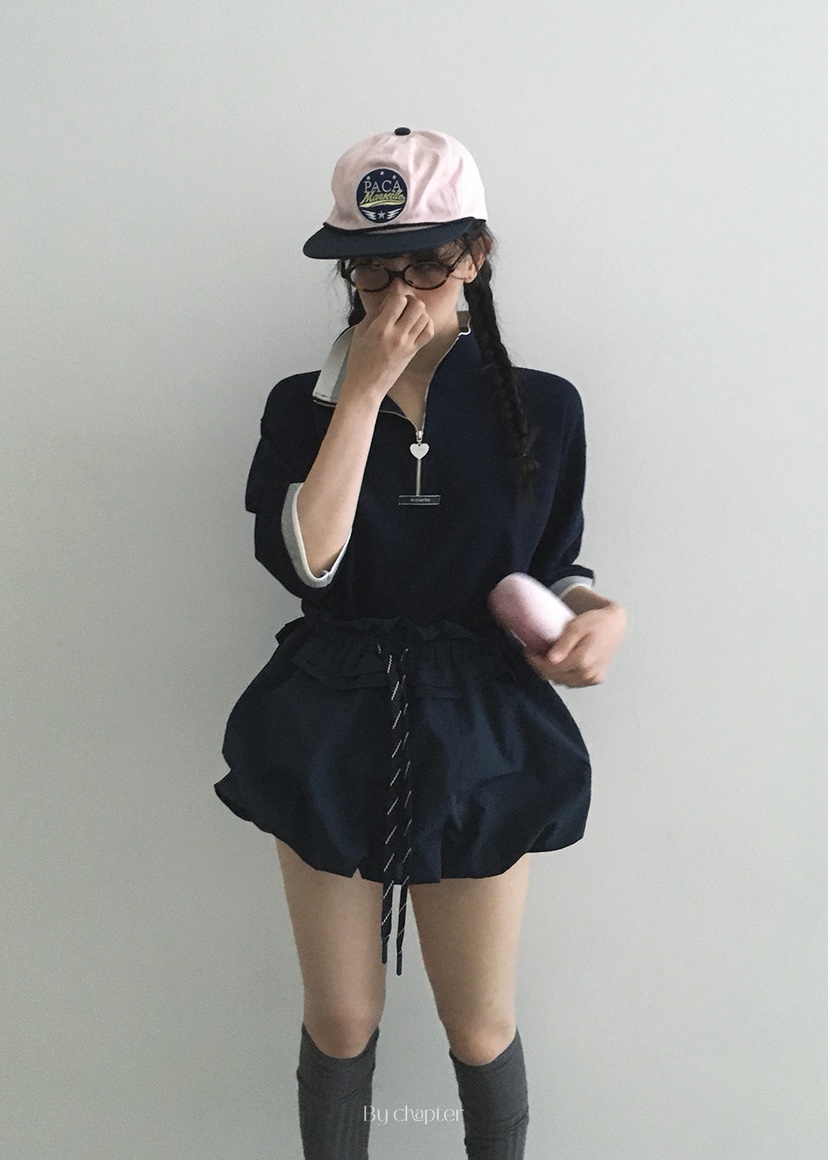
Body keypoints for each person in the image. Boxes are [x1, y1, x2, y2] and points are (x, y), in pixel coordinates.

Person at [215, 127, 627, 1160]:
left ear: (475, 255)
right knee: (342, 1015)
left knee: (478, 1023)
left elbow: (554, 564)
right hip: (330, 707)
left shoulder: (545, 406)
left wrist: (595, 613)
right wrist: (361, 390)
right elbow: (306, 560)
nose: (396, 292)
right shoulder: (299, 404)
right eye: (369, 270)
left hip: (481, 718)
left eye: (426, 264)